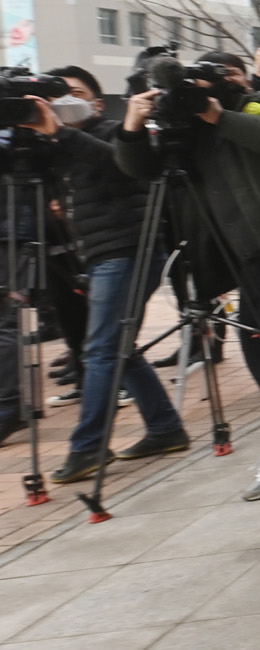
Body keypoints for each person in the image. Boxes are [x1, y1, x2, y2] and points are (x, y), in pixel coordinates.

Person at [115, 50, 260, 501]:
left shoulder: (254, 105)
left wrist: (218, 115)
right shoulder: (186, 131)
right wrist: (133, 126)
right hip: (242, 257)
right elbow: (141, 170)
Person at [24, 68, 191, 482]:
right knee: (119, 348)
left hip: (129, 252)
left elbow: (121, 165)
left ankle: (88, 447)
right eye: (56, 96)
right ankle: (165, 428)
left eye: (75, 93)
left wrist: (60, 132)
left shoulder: (117, 130)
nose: (64, 102)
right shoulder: (54, 145)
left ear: (97, 103)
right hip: (102, 256)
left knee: (100, 350)